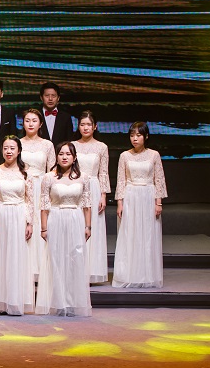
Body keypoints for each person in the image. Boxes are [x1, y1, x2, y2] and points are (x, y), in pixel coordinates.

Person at [36, 141, 92, 317]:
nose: (64, 157)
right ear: (56, 157)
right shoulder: (49, 177)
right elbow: (44, 205)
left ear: (74, 157)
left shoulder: (83, 177)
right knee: (56, 259)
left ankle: (73, 301)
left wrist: (88, 226)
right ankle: (58, 302)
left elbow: (87, 204)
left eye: (68, 154)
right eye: (61, 154)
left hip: (75, 219)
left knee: (75, 259)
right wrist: (44, 229)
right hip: (56, 218)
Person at [0, 135, 35, 316]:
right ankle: (2, 301)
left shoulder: (26, 172)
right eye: (5, 148)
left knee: (17, 257)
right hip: (0, 215)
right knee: (1, 257)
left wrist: (30, 222)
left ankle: (16, 301)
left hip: (19, 215)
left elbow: (30, 200)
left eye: (12, 148)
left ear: (18, 151)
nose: (8, 151)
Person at [113, 122, 167, 288]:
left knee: (148, 234)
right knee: (130, 234)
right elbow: (121, 180)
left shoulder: (154, 155)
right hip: (130, 196)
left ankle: (147, 274)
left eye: (138, 135)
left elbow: (159, 179)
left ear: (146, 136)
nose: (134, 139)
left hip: (148, 196)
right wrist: (120, 203)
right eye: (132, 135)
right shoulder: (124, 156)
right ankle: (129, 274)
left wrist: (158, 203)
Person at [73, 111, 111, 284]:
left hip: (94, 188)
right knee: (77, 227)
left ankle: (93, 270)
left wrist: (103, 195)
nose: (85, 128)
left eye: (89, 124)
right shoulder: (73, 145)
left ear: (95, 127)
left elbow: (103, 172)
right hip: (76, 188)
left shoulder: (102, 147)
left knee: (93, 227)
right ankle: (76, 269)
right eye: (82, 124)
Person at [19, 108, 56, 281]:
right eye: (27, 120)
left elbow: (52, 171)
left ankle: (43, 269)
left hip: (42, 187)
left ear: (40, 124)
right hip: (23, 187)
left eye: (34, 120)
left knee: (42, 223)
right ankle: (24, 269)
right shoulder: (18, 143)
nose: (30, 124)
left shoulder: (47, 145)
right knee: (24, 223)